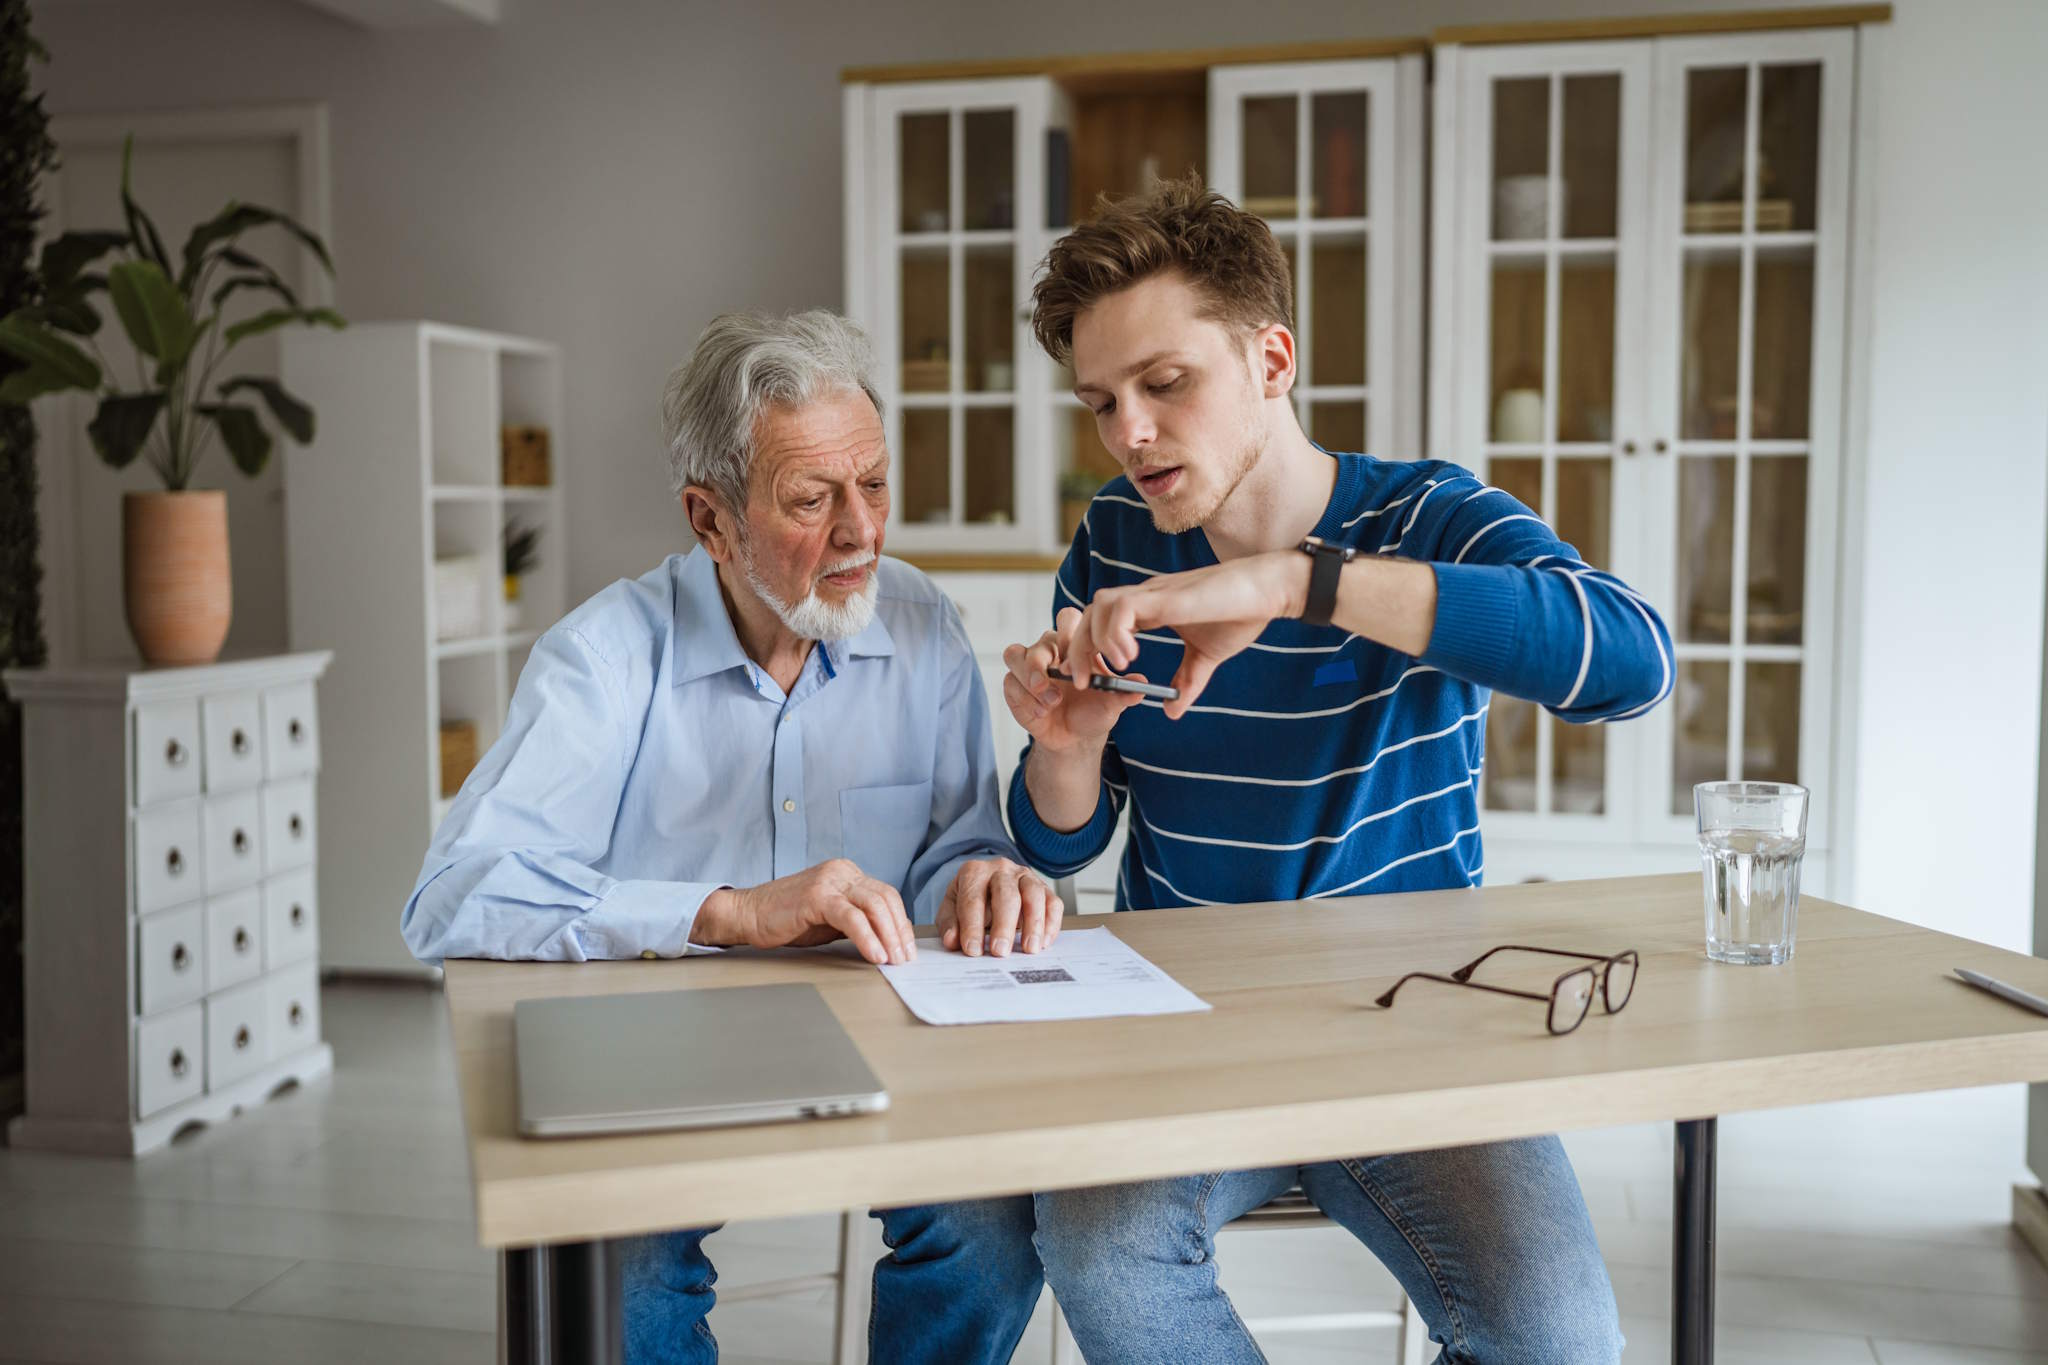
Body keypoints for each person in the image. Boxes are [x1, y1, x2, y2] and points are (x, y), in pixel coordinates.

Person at [1000, 177, 1671, 1365]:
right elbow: (1060, 844)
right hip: (1184, 1028)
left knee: (1559, 1340)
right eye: (1101, 403)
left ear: (1270, 359)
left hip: (1423, 1021)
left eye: (1165, 384)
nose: (1130, 434)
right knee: (1098, 1252)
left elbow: (1628, 659)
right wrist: (1070, 746)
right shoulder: (1111, 539)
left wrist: (1290, 583)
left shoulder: (1422, 514)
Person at [402, 309, 1056, 1364]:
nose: (861, 534)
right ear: (710, 521)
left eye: (874, 485)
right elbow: (455, 895)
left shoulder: (926, 626)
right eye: (811, 499)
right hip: (651, 1049)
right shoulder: (603, 657)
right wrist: (730, 915)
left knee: (990, 1228)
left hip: (877, 1031)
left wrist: (981, 874)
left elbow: (952, 843)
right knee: (620, 1273)